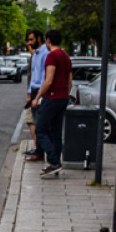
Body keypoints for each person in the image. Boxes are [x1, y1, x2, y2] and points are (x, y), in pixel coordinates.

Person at [31, 29, 73, 178]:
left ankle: (53, 160)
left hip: (52, 98)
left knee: (40, 129)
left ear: (48, 40)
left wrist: (37, 97)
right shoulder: (66, 57)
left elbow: (48, 81)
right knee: (56, 132)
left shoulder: (52, 56)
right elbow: (69, 80)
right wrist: (66, 93)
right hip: (63, 98)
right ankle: (56, 163)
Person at [23, 30, 48, 161]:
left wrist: (39, 96)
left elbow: (44, 77)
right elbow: (33, 77)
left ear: (39, 38)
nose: (30, 42)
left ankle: (46, 152)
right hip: (33, 92)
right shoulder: (36, 54)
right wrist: (29, 95)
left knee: (39, 124)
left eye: (32, 40)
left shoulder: (45, 53)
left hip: (40, 93)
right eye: (28, 40)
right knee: (36, 123)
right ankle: (39, 152)